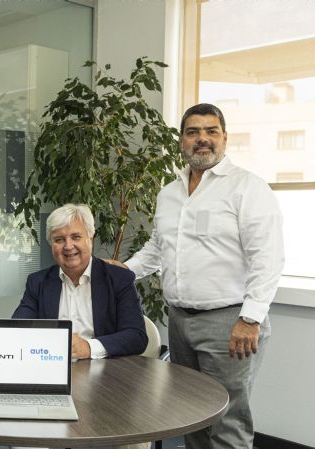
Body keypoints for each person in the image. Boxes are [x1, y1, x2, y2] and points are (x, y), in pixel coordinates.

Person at [112, 103, 284, 449]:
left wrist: (250, 318)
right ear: (181, 140)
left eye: (210, 131)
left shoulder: (247, 188)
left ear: (225, 138)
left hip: (230, 322)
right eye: (193, 132)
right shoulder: (169, 192)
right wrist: (126, 271)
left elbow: (267, 258)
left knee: (228, 420)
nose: (202, 139)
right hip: (180, 321)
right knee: (190, 414)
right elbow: (158, 247)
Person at [12, 203, 149, 449]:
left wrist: (88, 347)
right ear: (51, 245)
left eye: (76, 237)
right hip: (52, 381)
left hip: (109, 384)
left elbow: (136, 336)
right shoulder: (38, 282)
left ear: (90, 238)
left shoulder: (118, 279)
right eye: (59, 239)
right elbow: (17, 329)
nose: (68, 246)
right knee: (26, 438)